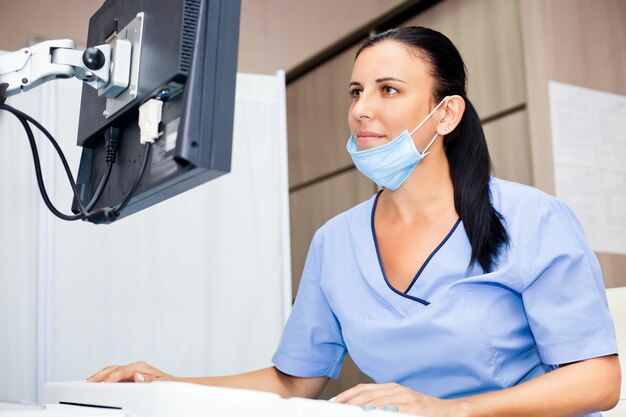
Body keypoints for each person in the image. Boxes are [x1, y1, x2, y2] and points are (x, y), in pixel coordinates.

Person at [88, 26, 621, 417]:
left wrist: (454, 410)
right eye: (356, 91)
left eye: (388, 90)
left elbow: (599, 380)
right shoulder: (335, 242)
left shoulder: (533, 219)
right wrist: (172, 384)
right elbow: (295, 383)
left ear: (447, 114)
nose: (362, 108)